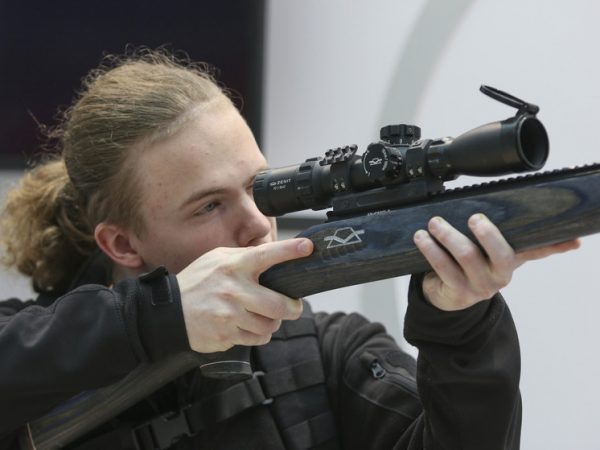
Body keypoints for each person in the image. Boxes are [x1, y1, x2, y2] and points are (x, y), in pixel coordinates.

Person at [0, 49, 579, 450]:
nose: (258, 224)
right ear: (123, 244)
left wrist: (461, 325)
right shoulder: (38, 354)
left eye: (259, 186)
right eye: (209, 206)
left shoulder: (332, 353)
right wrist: (158, 318)